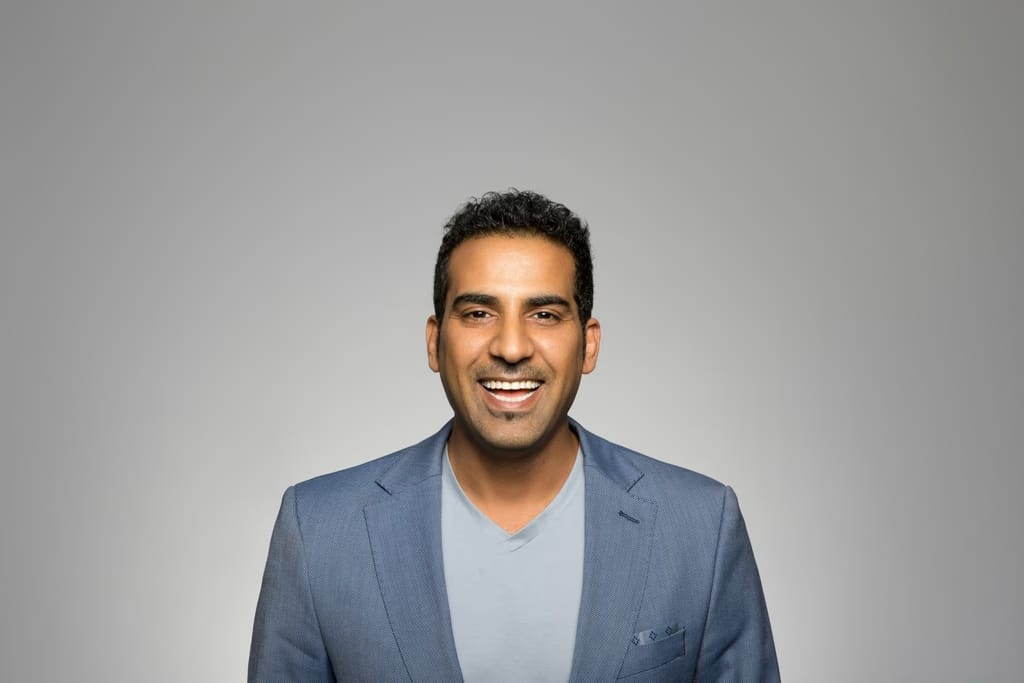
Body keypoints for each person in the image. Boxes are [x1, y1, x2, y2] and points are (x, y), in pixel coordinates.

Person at [248, 190, 780, 682]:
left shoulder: (701, 528)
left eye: (544, 314)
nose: (510, 346)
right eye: (479, 312)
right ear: (435, 343)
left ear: (588, 345)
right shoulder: (318, 532)